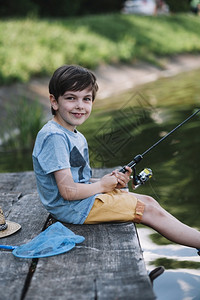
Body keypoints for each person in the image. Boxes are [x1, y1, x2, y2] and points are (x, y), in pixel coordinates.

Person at [32, 65, 200, 255]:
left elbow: (77, 181)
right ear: (54, 101)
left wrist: (108, 182)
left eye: (86, 99)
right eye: (71, 98)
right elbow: (68, 192)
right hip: (72, 209)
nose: (80, 105)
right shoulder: (54, 137)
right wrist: (102, 186)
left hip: (79, 204)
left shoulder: (73, 134)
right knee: (150, 212)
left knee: (149, 201)